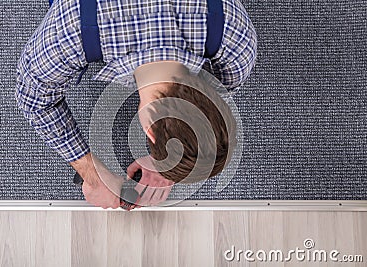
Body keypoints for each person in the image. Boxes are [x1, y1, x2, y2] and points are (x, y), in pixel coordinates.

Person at [15, 0, 257, 208]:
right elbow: (32, 96)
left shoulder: (235, 36)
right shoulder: (71, 31)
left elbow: (220, 91)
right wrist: (91, 173)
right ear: (149, 133)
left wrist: (176, 158)